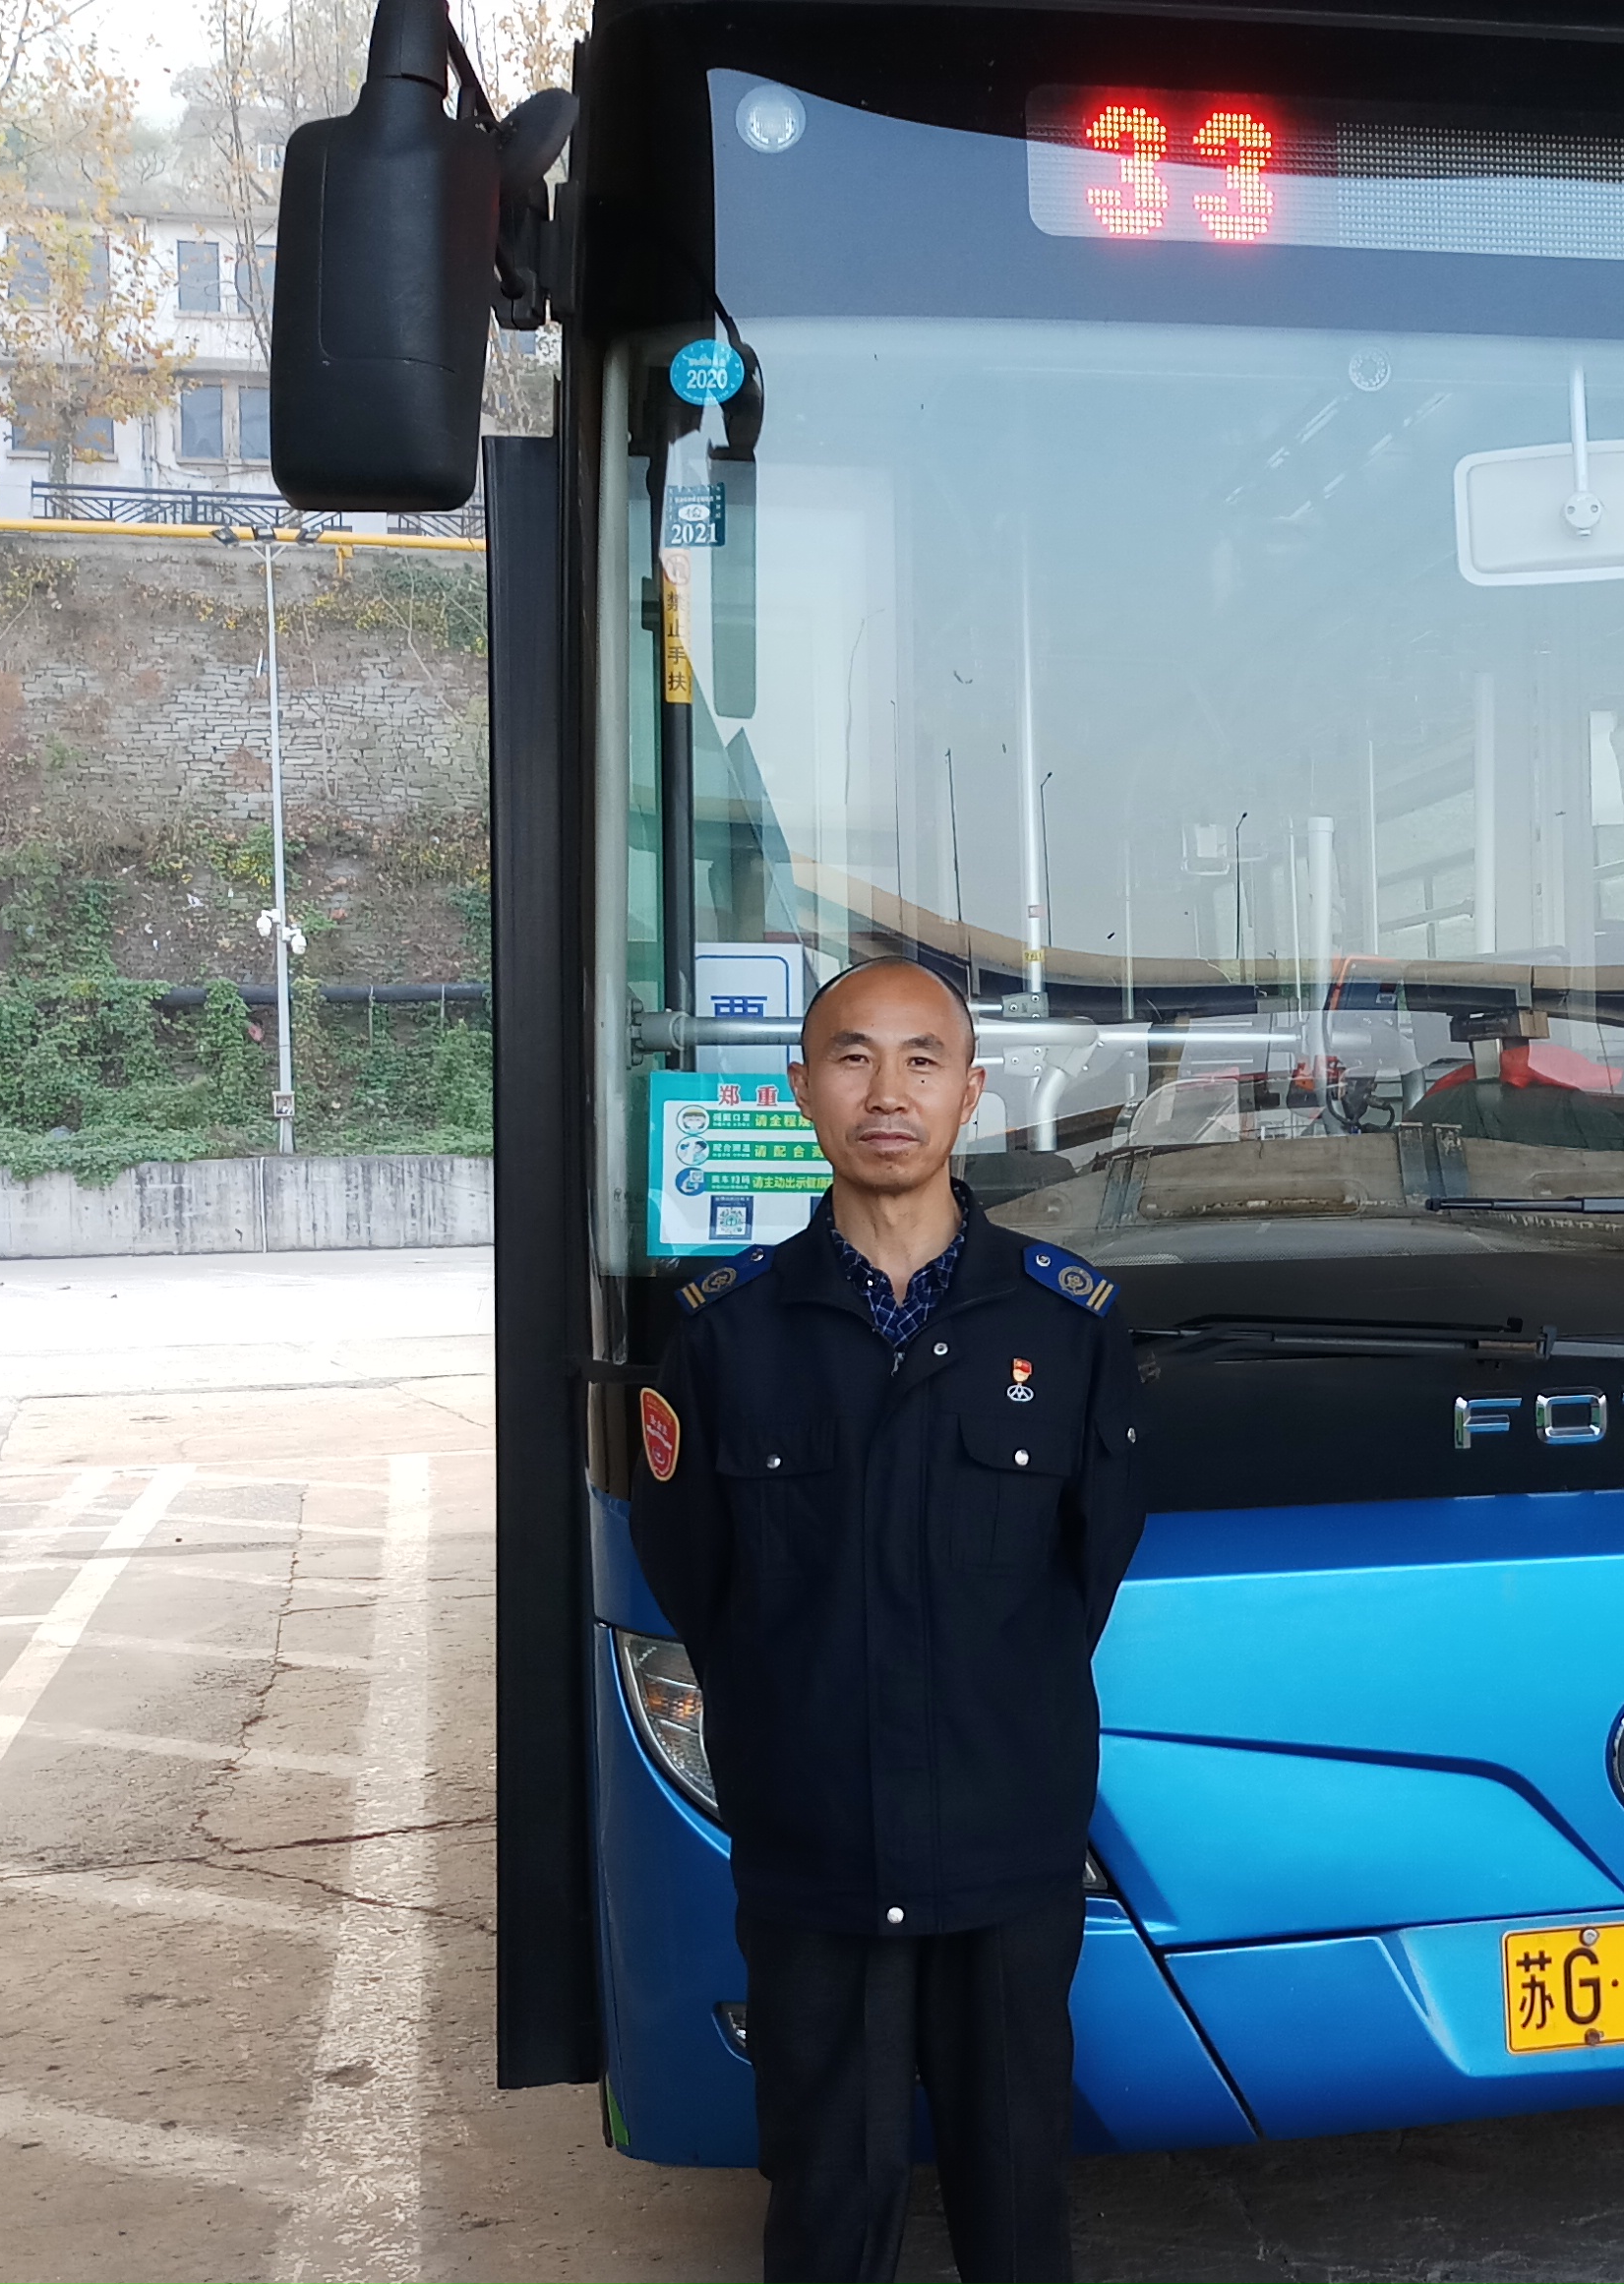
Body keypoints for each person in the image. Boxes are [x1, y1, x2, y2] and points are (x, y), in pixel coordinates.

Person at [633, 957, 1144, 2284]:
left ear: (971, 1094)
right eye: (852, 1057)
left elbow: (1086, 1569)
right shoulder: (726, 1337)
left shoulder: (1067, 1325)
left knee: (1018, 2211)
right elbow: (697, 1577)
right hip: (817, 1854)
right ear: (802, 1088)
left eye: (923, 1059)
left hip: (1005, 1854)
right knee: (823, 2210)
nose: (887, 1092)